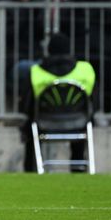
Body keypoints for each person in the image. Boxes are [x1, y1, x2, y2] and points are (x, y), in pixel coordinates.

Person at [22, 33, 95, 172]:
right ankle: (78, 165)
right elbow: (94, 101)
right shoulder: (85, 70)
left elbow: (26, 105)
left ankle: (31, 169)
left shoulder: (36, 72)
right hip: (79, 122)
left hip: (44, 121)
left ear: (49, 50)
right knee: (85, 114)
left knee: (30, 124)